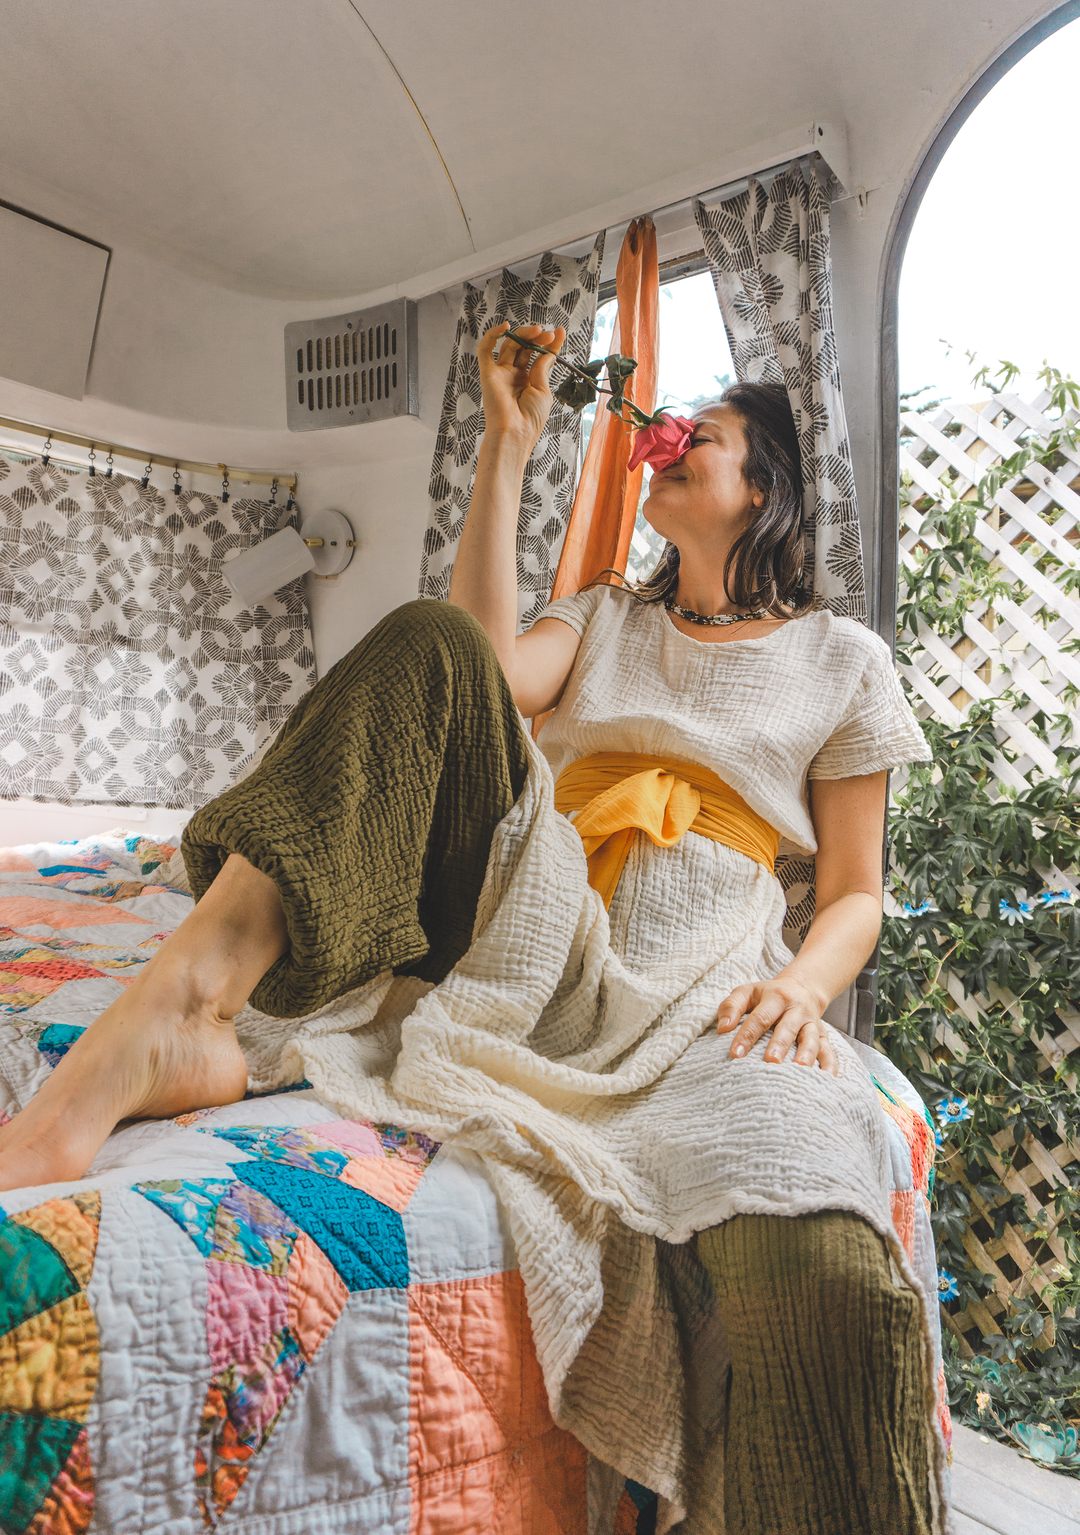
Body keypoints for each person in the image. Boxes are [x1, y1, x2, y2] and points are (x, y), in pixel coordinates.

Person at [0, 323, 941, 1533]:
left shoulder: (840, 660)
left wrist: (805, 989)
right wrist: (508, 442)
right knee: (429, 638)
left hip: (696, 946)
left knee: (817, 1225)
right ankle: (183, 1003)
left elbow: (857, 886)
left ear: (763, 488)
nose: (669, 443)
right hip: (534, 899)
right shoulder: (607, 615)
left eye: (700, 440)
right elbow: (486, 668)